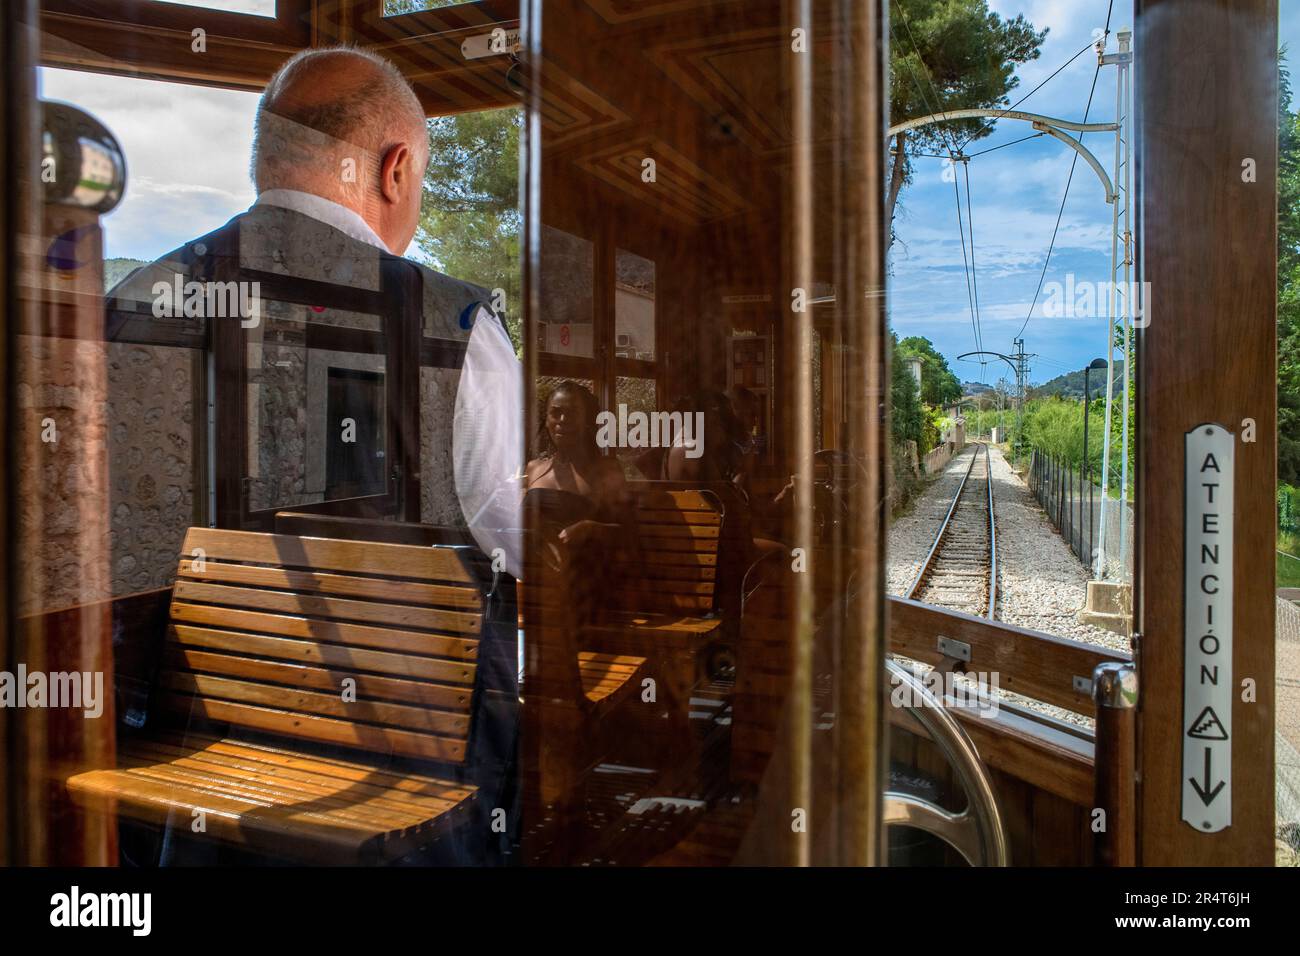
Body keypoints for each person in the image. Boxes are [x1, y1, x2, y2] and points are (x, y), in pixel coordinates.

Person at [106, 45, 523, 576]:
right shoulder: (460, 321)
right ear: (395, 170)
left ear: (263, 159)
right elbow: (502, 529)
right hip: (406, 656)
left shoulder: (137, 294)